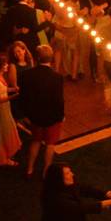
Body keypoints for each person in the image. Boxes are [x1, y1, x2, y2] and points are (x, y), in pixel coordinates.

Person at [21, 45, 65, 180]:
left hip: (35, 116)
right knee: (50, 144)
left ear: (37, 57)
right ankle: (46, 170)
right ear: (51, 58)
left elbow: (24, 96)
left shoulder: (27, 75)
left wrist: (26, 114)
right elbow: (59, 99)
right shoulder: (57, 77)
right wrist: (61, 115)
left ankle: (29, 168)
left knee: (36, 141)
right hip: (52, 116)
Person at [6, 40, 35, 124]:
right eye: (15, 52)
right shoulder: (13, 66)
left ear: (24, 50)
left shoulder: (30, 61)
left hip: (28, 92)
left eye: (19, 51)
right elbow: (14, 86)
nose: (17, 54)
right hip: (19, 94)